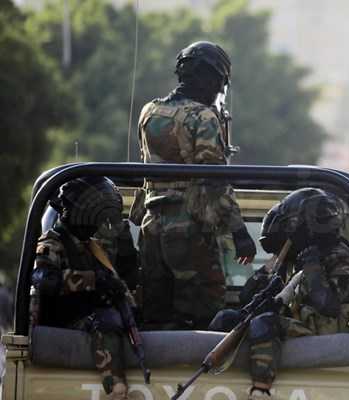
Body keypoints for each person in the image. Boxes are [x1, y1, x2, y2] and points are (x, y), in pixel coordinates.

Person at [137, 41, 256, 329]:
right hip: (190, 230)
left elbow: (146, 168)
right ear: (208, 78)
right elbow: (215, 180)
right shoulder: (203, 117)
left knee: (155, 314)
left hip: (151, 228)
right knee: (203, 317)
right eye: (219, 82)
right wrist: (239, 232)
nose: (219, 90)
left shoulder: (149, 111)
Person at [210, 188, 349, 399]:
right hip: (303, 322)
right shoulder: (299, 259)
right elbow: (247, 296)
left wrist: (312, 267)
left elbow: (328, 305)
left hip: (326, 330)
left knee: (265, 324)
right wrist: (268, 279)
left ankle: (260, 389)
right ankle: (211, 377)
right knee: (226, 319)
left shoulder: (343, 258)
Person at [31, 177, 132, 399]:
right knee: (106, 321)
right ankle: (116, 387)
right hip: (62, 317)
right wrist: (93, 280)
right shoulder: (52, 242)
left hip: (85, 311)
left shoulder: (91, 247)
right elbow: (43, 280)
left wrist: (112, 287)